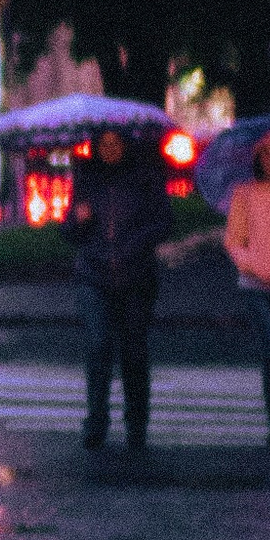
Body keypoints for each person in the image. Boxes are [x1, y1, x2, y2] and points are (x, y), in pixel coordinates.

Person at [66, 126, 173, 451]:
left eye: (115, 143)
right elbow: (69, 233)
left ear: (125, 145)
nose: (110, 149)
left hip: (136, 277)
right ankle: (96, 422)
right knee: (98, 347)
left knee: (133, 351)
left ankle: (136, 423)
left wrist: (135, 242)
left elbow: (164, 222)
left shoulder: (145, 177)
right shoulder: (86, 179)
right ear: (96, 147)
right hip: (94, 277)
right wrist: (78, 220)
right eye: (104, 144)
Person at [223, 127, 270, 446]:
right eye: (266, 154)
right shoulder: (245, 194)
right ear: (257, 158)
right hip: (256, 284)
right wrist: (254, 265)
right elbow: (234, 240)